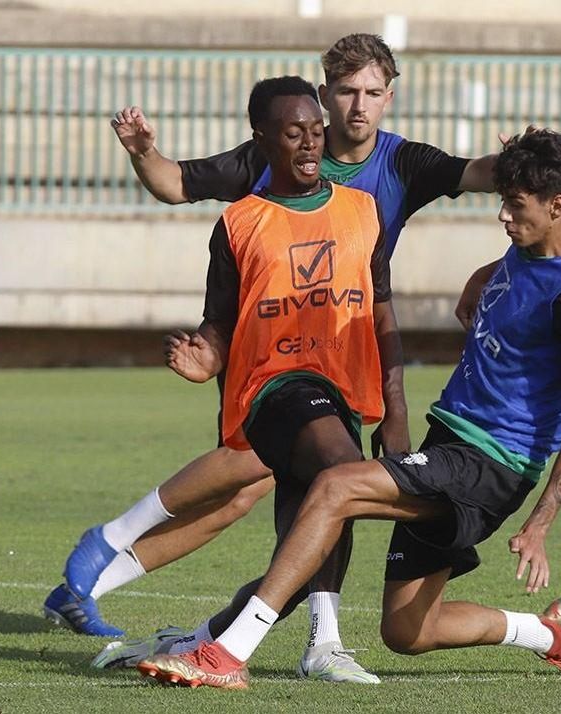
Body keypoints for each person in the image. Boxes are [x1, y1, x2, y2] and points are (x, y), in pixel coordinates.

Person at [46, 33, 500, 655]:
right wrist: (145, 153)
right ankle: (302, 637)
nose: (357, 108)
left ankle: (113, 591)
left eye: (372, 93)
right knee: (286, 473)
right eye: (345, 92)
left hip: (346, 357)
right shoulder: (274, 149)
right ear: (323, 95)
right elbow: (176, 183)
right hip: (277, 359)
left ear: (390, 98)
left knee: (249, 493)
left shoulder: (402, 164)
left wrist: (523, 158)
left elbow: (480, 175)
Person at [138, 129, 561, 689]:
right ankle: (551, 635)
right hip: (451, 440)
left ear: (555, 207)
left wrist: (540, 524)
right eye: (503, 202)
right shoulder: (560, 224)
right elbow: (534, 249)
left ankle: (227, 653)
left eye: (516, 208)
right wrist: (482, 275)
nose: (505, 219)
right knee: (409, 630)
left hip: (491, 463)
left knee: (334, 486)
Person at [162, 75, 407, 685]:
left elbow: (381, 311)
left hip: (344, 389)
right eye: (293, 132)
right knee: (340, 472)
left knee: (312, 512)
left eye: (316, 131)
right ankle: (321, 644)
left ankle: (209, 639)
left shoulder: (362, 211)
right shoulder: (239, 224)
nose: (308, 144)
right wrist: (206, 360)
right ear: (261, 138)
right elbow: (219, 324)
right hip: (271, 390)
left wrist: (396, 408)